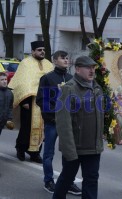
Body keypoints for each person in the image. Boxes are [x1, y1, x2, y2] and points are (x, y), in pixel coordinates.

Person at [52, 56, 104, 199]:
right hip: (75, 147)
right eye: (88, 68)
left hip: (93, 148)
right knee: (66, 179)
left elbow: (100, 117)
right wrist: (69, 150)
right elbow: (63, 122)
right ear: (78, 69)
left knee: (91, 181)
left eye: (93, 68)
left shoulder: (97, 88)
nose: (92, 71)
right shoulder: (69, 88)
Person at [36, 51, 81, 195]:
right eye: (63, 58)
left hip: (68, 123)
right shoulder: (47, 78)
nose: (66, 60)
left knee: (69, 153)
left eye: (67, 58)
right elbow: (41, 100)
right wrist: (53, 115)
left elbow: (75, 100)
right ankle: (48, 180)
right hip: (52, 122)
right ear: (55, 61)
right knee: (48, 153)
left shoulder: (72, 78)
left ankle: (68, 181)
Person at [8, 41, 53, 163]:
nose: (42, 51)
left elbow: (51, 82)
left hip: (43, 103)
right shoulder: (26, 63)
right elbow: (22, 83)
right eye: (39, 50)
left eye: (43, 49)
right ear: (33, 51)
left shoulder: (49, 64)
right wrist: (24, 102)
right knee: (26, 128)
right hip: (29, 102)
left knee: (41, 129)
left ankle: (35, 153)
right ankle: (20, 149)